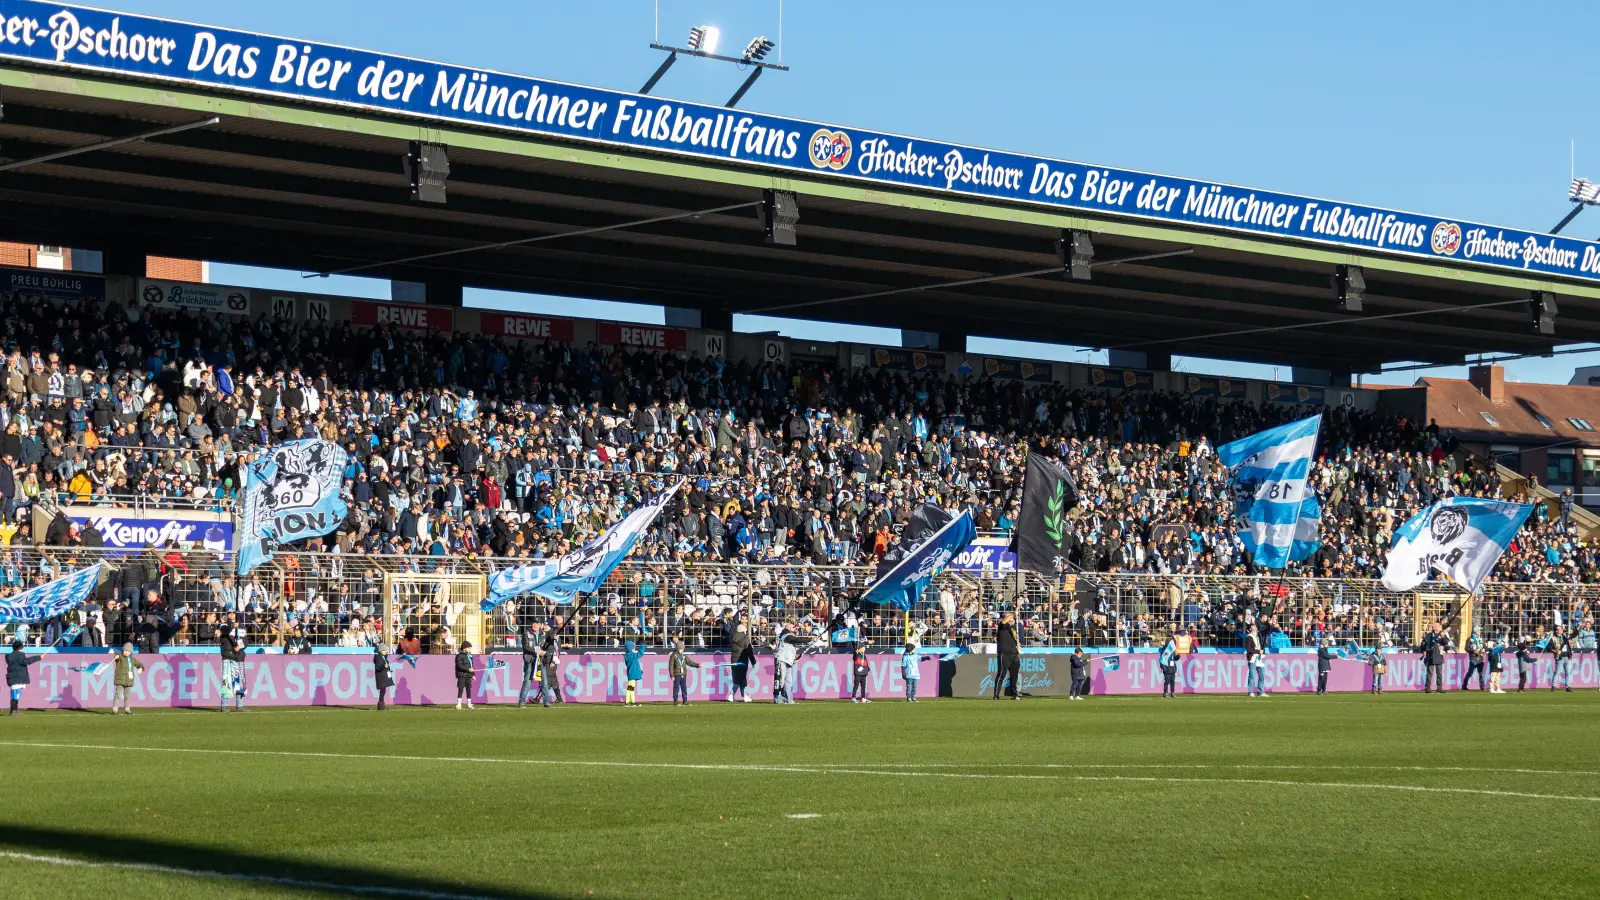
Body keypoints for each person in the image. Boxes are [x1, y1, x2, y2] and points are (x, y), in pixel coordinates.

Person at [504, 602, 543, 708]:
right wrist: (536, 652)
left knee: (544, 681)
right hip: (530, 659)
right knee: (527, 681)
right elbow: (525, 647)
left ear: (540, 625)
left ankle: (546, 701)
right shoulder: (526, 633)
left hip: (540, 660)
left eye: (537, 623)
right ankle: (522, 701)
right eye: (533, 623)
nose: (535, 625)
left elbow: (547, 644)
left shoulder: (543, 634)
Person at [773, 621, 810, 704]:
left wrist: (793, 659)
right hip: (781, 660)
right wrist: (810, 639)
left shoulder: (789, 636)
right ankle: (777, 698)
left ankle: (788, 699)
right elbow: (796, 640)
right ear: (788, 628)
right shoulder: (786, 635)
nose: (795, 628)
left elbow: (789, 649)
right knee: (780, 680)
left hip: (788, 661)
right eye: (793, 627)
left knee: (788, 681)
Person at [217, 612, 247, 713]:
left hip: (238, 656)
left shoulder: (242, 628)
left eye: (233, 613)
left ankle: (240, 705)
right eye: (229, 613)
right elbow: (226, 634)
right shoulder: (223, 625)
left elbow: (246, 641)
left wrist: (240, 646)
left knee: (240, 681)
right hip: (228, 655)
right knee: (226, 680)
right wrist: (233, 627)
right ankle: (224, 705)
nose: (231, 615)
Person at [6, 639, 41, 715]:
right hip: (18, 677)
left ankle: (15, 709)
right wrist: (38, 657)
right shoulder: (20, 655)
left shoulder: (9, 656)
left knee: (15, 694)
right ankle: (13, 710)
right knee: (16, 694)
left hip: (13, 677)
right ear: (20, 648)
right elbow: (26, 661)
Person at [540, 616, 568, 707]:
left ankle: (539, 697)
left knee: (547, 678)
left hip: (550, 659)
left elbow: (556, 648)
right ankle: (559, 698)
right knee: (552, 678)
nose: (544, 626)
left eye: (546, 625)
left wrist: (553, 660)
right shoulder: (548, 633)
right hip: (549, 658)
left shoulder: (551, 633)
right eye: (544, 625)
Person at [727, 612, 754, 703]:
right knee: (739, 679)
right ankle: (731, 694)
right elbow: (749, 651)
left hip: (734, 659)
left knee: (739, 678)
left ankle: (745, 696)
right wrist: (753, 662)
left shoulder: (733, 639)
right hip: (742, 660)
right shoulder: (745, 639)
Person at [111, 642, 143, 714]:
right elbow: (117, 657)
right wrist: (116, 656)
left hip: (129, 681)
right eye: (125, 650)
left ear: (130, 652)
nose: (126, 652)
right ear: (123, 650)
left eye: (128, 651)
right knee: (118, 694)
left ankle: (127, 709)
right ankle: (115, 709)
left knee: (127, 696)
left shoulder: (132, 659)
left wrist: (140, 668)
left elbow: (140, 665)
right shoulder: (120, 657)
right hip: (120, 680)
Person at [994, 611, 1020, 700]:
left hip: (1014, 654)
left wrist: (1017, 646)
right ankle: (996, 695)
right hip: (1004, 654)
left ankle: (1014, 695)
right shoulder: (1002, 626)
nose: (1012, 618)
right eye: (1009, 616)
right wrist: (1014, 613)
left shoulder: (1013, 628)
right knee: (1001, 674)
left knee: (1014, 676)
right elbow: (1004, 621)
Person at [1418, 623, 1448, 694]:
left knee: (1439, 673)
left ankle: (1439, 688)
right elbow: (1423, 644)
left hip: (1439, 655)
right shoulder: (1429, 635)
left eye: (1439, 626)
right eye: (1438, 626)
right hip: (1430, 655)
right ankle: (1427, 688)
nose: (1440, 627)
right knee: (1429, 673)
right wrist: (1424, 650)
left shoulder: (1442, 635)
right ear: (1434, 628)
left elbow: (1445, 642)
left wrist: (1443, 636)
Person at [668, 639, 700, 705]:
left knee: (684, 688)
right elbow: (671, 666)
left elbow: (690, 662)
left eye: (682, 649)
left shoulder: (684, 656)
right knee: (676, 688)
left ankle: (685, 701)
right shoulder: (673, 656)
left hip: (683, 674)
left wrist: (697, 665)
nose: (681, 650)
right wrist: (672, 675)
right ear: (677, 648)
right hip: (676, 674)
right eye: (680, 649)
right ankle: (675, 701)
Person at [1244, 624, 1266, 698]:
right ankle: (1250, 691)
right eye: (1252, 626)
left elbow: (1262, 645)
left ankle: (1260, 692)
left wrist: (1262, 651)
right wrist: (1258, 651)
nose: (1255, 627)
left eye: (1255, 626)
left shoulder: (1258, 635)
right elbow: (1249, 649)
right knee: (1252, 675)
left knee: (1262, 675)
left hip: (1259, 658)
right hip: (1253, 658)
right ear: (1250, 629)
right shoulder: (1249, 637)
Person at [1550, 626, 1573, 692]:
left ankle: (1567, 686)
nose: (1561, 630)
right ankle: (1553, 686)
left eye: (1561, 629)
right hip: (1560, 657)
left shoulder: (1564, 637)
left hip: (1567, 656)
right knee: (1557, 672)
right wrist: (1556, 651)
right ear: (1556, 631)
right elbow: (1549, 648)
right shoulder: (1553, 638)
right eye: (1560, 629)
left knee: (1568, 672)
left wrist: (1570, 652)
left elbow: (1568, 644)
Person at [623, 640, 644, 707]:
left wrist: (639, 670)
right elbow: (640, 654)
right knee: (630, 688)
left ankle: (632, 702)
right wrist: (643, 646)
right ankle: (628, 702)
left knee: (631, 688)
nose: (634, 648)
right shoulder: (631, 655)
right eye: (633, 648)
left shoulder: (628, 655)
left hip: (631, 674)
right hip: (632, 674)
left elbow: (634, 664)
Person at [373, 643, 394, 711]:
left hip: (383, 676)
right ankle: (381, 705)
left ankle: (381, 705)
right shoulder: (379, 657)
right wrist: (383, 666)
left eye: (386, 650)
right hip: (381, 677)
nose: (386, 651)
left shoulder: (383, 657)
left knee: (383, 691)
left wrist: (388, 669)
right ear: (380, 650)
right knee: (383, 691)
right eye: (384, 650)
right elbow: (378, 668)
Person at [454, 641, 475, 710]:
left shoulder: (470, 656)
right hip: (461, 675)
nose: (470, 649)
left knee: (468, 689)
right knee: (461, 689)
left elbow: (471, 665)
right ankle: (459, 704)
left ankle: (469, 704)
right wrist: (468, 669)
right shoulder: (459, 656)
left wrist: (473, 674)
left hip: (469, 675)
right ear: (464, 648)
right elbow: (459, 666)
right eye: (469, 648)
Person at [1158, 634, 1179, 699]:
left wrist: (1178, 656)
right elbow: (1162, 659)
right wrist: (1164, 668)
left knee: (1172, 682)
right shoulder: (1165, 651)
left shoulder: (1172, 651)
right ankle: (1165, 692)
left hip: (1172, 668)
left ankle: (1172, 692)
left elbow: (1175, 659)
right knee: (1167, 681)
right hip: (1167, 668)